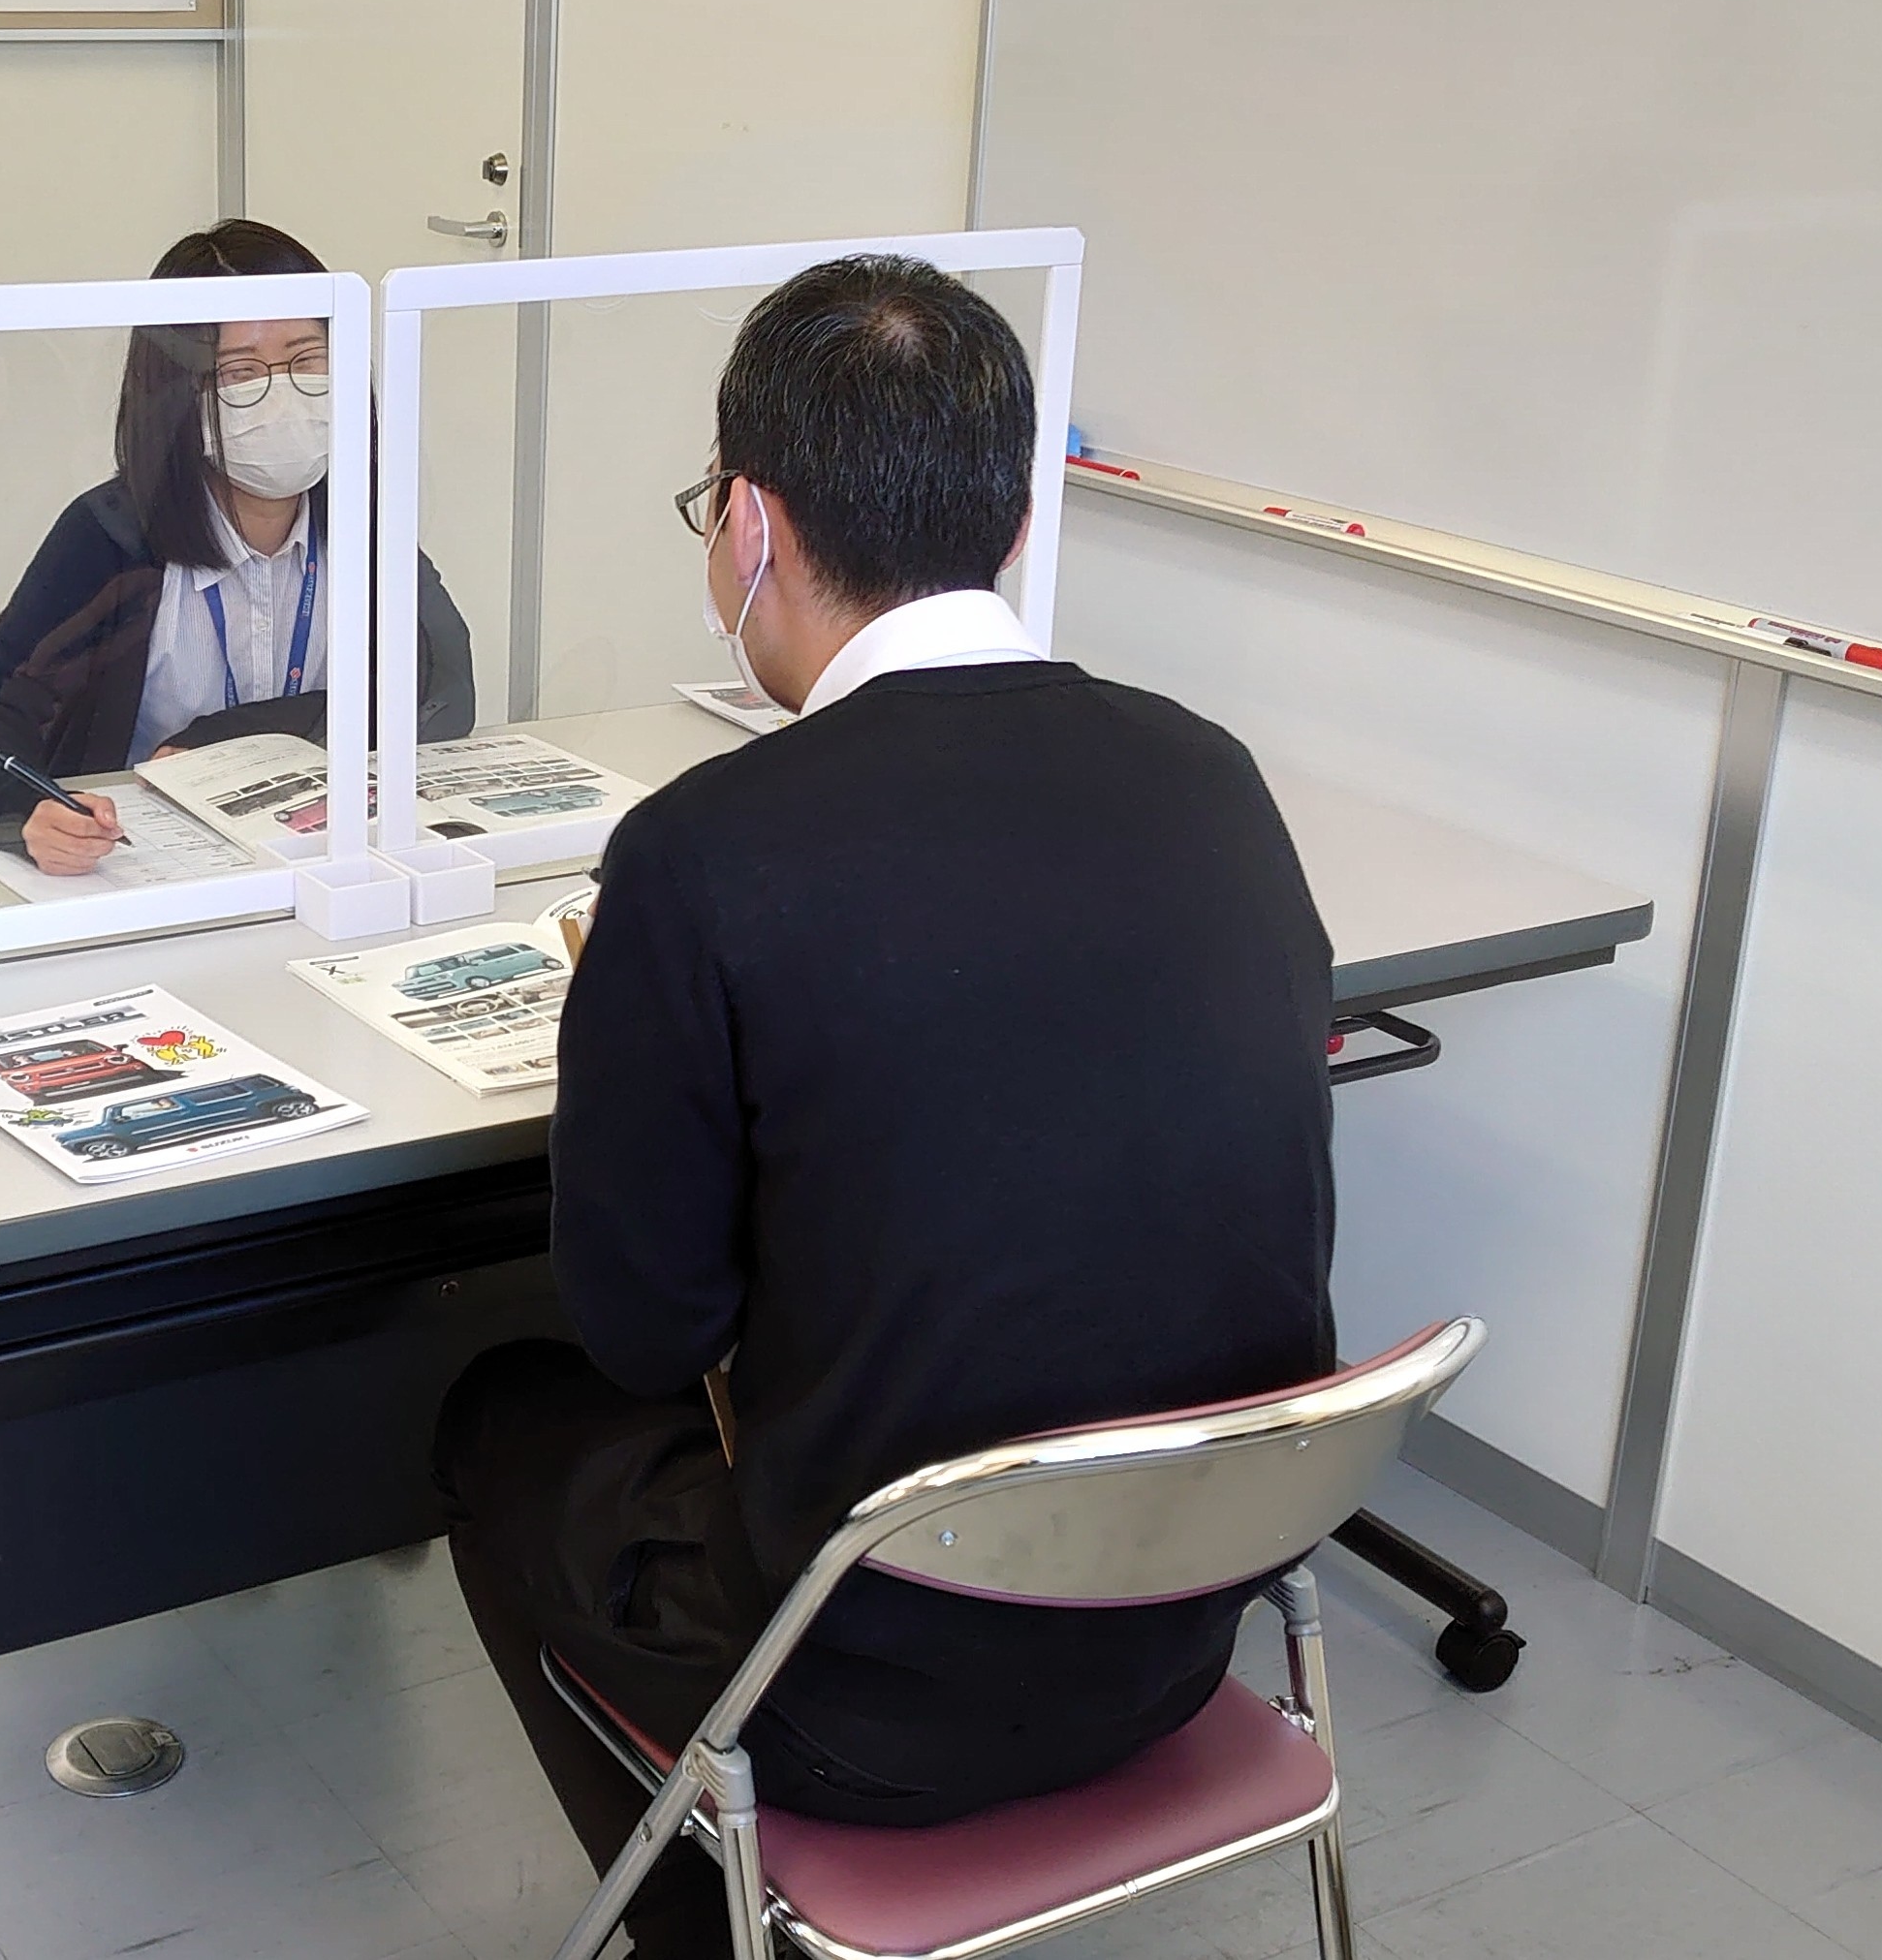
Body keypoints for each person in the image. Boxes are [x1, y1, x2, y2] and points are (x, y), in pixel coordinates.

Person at [433, 255, 1341, 1957]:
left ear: (750, 523)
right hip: (1176, 1628)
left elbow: (645, 1330)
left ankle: (703, 1921)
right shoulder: (1209, 774)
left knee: (498, 1414)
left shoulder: (706, 851)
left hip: (858, 1694)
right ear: (1011, 522)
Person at [0, 219, 476, 869]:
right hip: (145, 859)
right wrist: (25, 814)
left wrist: (229, 738)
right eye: (240, 372)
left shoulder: (361, 519)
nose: (281, 395)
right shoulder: (112, 536)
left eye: (307, 359)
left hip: (321, 851)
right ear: (176, 398)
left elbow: (441, 687)